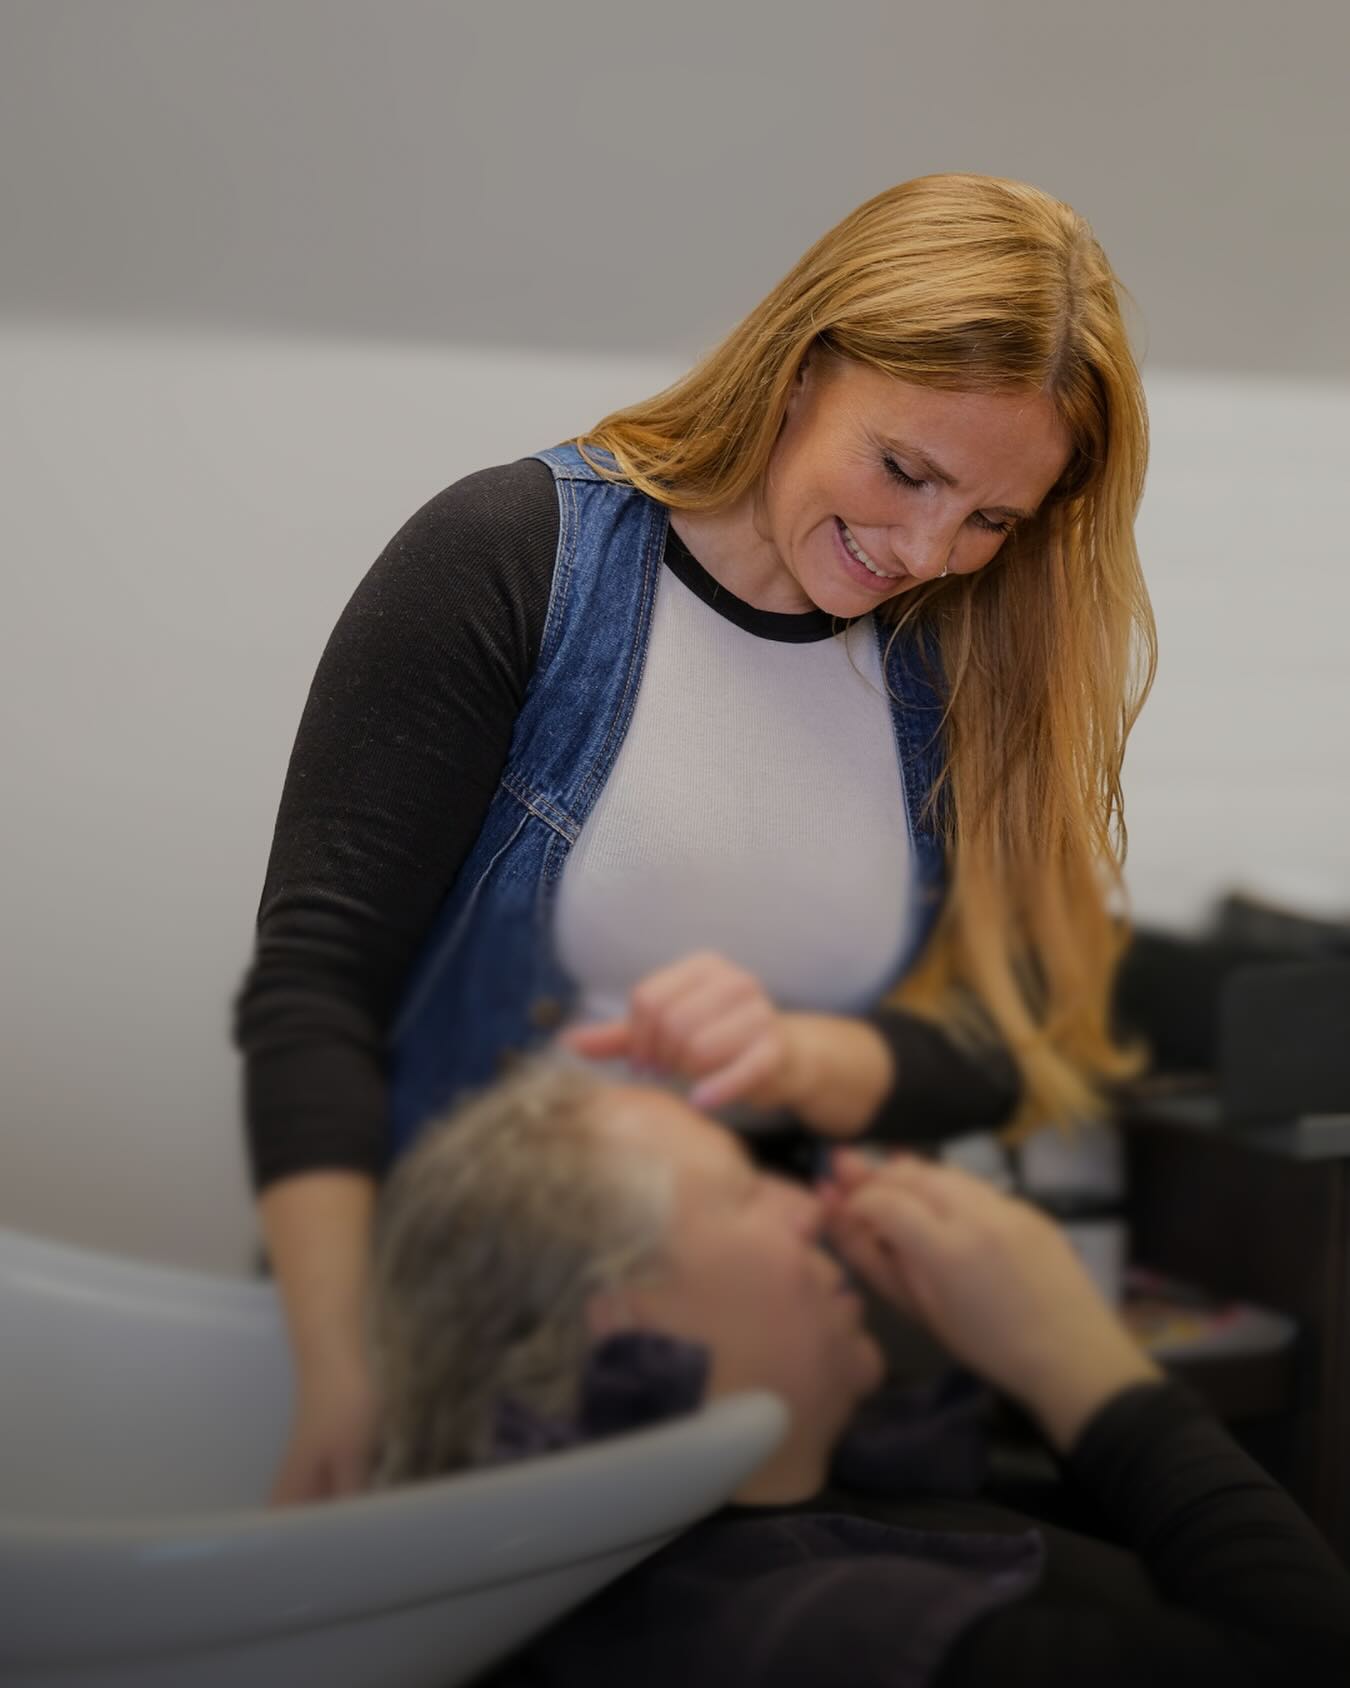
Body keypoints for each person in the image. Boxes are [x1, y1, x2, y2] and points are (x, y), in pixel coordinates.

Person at [235, 172, 1157, 1502]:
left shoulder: (959, 660)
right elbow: (315, 985)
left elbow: (1001, 1045)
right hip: (445, 1349)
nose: (924, 548)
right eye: (905, 469)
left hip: (746, 1396)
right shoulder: (513, 559)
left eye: (990, 520)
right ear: (801, 368)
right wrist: (339, 1363)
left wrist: (795, 1055)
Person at [370, 1063, 1350, 1688]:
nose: (808, 1207)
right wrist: (1086, 1370)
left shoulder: (838, 1491)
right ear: (625, 1314)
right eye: (744, 1189)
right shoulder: (786, 1639)